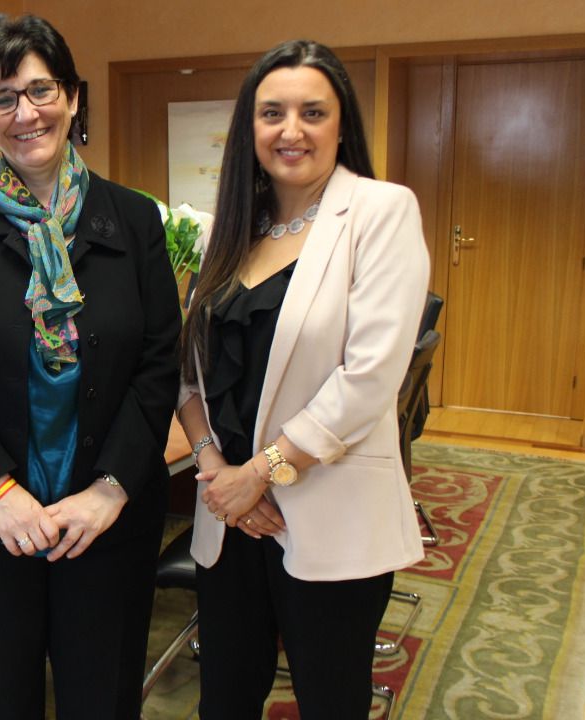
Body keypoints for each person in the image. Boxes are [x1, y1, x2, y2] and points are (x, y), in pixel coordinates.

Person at [0, 14, 181, 719]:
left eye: (41, 90)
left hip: (106, 519)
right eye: (3, 98)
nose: (26, 113)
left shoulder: (134, 220)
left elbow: (160, 363)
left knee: (103, 697)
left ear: (73, 96)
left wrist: (111, 489)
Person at [175, 40, 429, 718]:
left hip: (327, 510)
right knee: (224, 699)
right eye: (272, 113)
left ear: (342, 125)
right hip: (229, 517)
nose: (292, 130)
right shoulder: (229, 229)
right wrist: (218, 471)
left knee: (329, 700)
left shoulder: (380, 211)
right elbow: (188, 373)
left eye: (313, 112)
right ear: (249, 129)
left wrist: (261, 472)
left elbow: (369, 376)